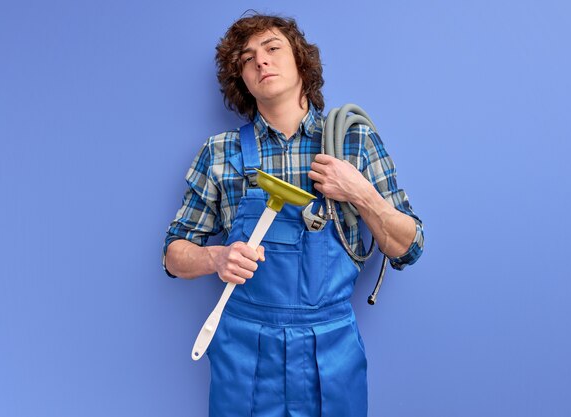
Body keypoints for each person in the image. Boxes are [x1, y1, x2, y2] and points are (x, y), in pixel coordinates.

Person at [163, 13, 424, 417]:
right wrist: (215, 258)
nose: (261, 62)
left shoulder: (353, 141)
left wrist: (358, 191)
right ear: (243, 81)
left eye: (272, 49)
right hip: (244, 349)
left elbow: (408, 247)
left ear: (301, 61)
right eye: (248, 59)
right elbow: (173, 255)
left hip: (331, 350)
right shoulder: (219, 153)